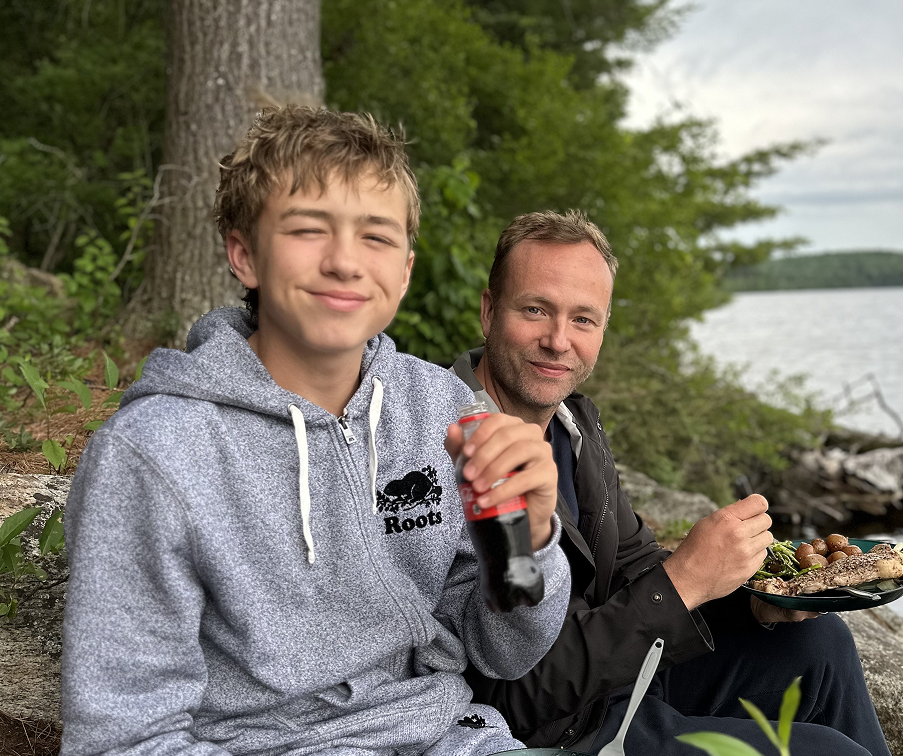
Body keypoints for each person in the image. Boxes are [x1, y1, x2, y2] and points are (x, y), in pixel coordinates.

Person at [59, 107, 571, 756]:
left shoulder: (437, 406)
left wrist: (530, 543)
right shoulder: (152, 455)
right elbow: (121, 740)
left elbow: (503, 653)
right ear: (243, 253)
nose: (344, 263)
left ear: (406, 271)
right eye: (307, 229)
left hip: (451, 739)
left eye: (376, 237)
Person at [453, 210, 893, 756]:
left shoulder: (573, 425)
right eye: (536, 309)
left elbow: (631, 568)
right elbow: (515, 696)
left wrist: (751, 598)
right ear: (489, 310)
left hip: (615, 685)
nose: (559, 340)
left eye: (584, 319)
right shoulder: (453, 449)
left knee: (818, 642)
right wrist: (685, 579)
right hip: (559, 732)